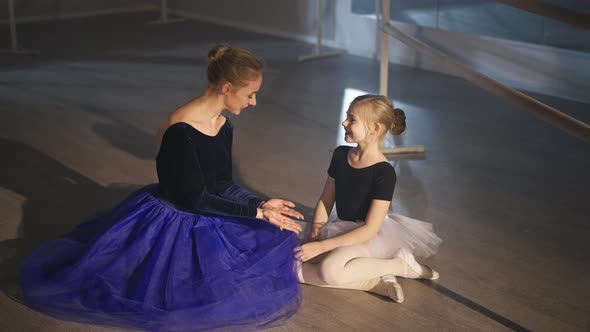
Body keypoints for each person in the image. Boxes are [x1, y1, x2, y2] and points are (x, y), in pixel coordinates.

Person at [21, 43, 304, 331]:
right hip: (175, 217)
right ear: (226, 87)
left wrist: (259, 204)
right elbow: (194, 199)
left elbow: (221, 183)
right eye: (250, 95)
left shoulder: (223, 124)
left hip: (202, 206)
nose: (254, 102)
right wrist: (255, 214)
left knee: (267, 238)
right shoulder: (180, 129)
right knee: (172, 295)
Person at [295, 94, 441, 303]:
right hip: (341, 228)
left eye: (352, 119)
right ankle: (375, 283)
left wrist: (321, 247)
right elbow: (326, 199)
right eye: (347, 116)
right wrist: (316, 231)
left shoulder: (384, 172)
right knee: (292, 265)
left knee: (329, 270)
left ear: (376, 128)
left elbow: (370, 229)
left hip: (369, 236)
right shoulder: (340, 154)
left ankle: (400, 265)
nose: (344, 122)